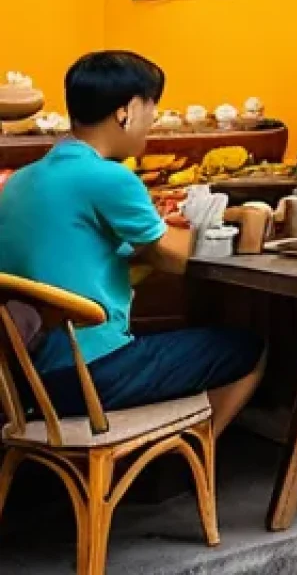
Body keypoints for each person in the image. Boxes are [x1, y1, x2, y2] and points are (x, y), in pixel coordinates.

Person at [0, 51, 265, 434]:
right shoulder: (109, 177)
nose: (152, 121)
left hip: (27, 377)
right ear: (126, 112)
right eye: (151, 108)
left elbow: (90, 250)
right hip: (88, 374)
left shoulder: (21, 180)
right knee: (247, 347)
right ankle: (182, 460)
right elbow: (174, 257)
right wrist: (217, 221)